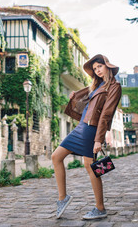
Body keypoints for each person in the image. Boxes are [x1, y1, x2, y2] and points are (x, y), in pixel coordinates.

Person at [52, 54, 121, 220]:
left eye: (100, 66)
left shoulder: (114, 86)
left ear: (108, 66)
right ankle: (63, 198)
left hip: (91, 129)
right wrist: (75, 97)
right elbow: (88, 106)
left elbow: (106, 113)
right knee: (56, 157)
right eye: (95, 68)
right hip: (81, 127)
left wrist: (99, 139)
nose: (97, 70)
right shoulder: (97, 86)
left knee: (91, 167)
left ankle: (100, 207)